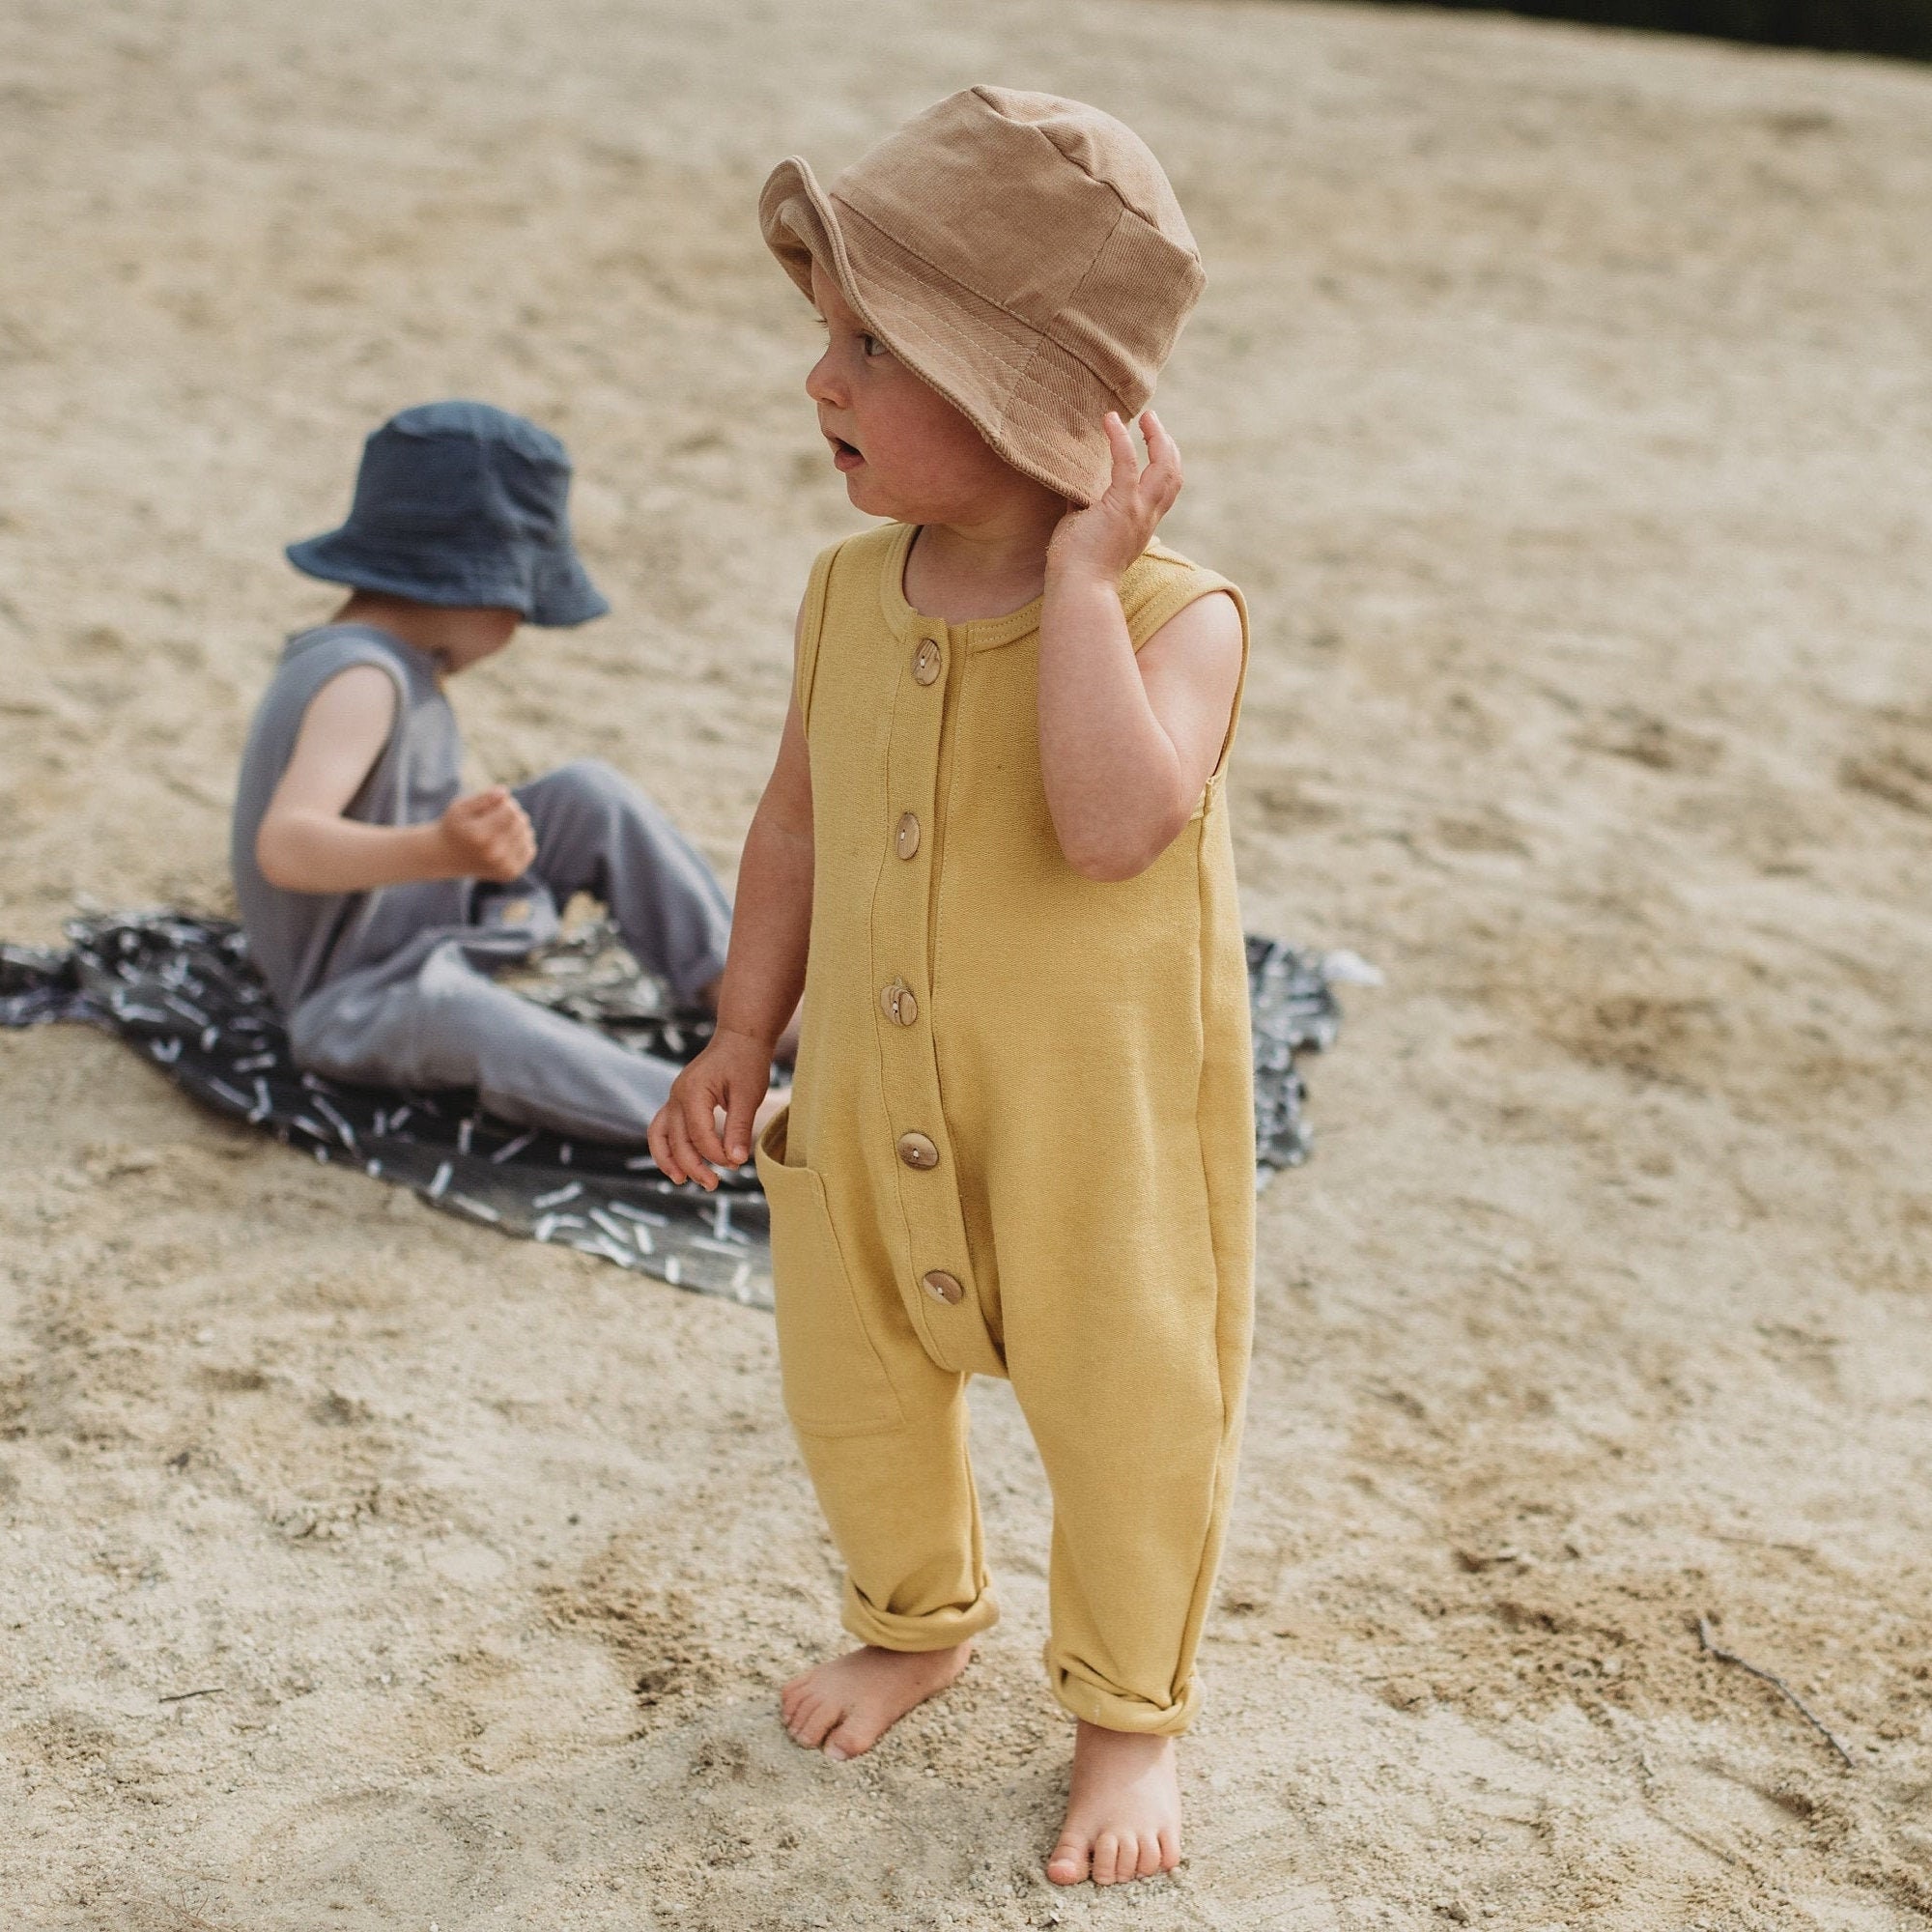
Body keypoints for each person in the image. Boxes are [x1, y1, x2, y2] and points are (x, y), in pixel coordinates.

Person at [648, 90, 1253, 1888]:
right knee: (853, 1389)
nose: (818, 381)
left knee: (1130, 1415)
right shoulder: (847, 591)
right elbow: (791, 827)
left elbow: (1114, 825)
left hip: (1091, 1139)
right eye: (823, 334)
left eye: (869, 346)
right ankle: (916, 1620)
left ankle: (1129, 1718)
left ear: (1023, 398)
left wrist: (1076, 578)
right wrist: (743, 1032)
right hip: (858, 1101)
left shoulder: (1172, 615)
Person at [232, 399, 739, 1144]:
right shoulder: (363, 680)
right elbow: (288, 846)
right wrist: (441, 851)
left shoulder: (382, 659)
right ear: (475, 587)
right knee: (462, 1016)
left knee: (583, 795)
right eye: (523, 606)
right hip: (356, 996)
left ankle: (737, 993)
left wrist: (450, 853)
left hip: (414, 921)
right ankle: (708, 1121)